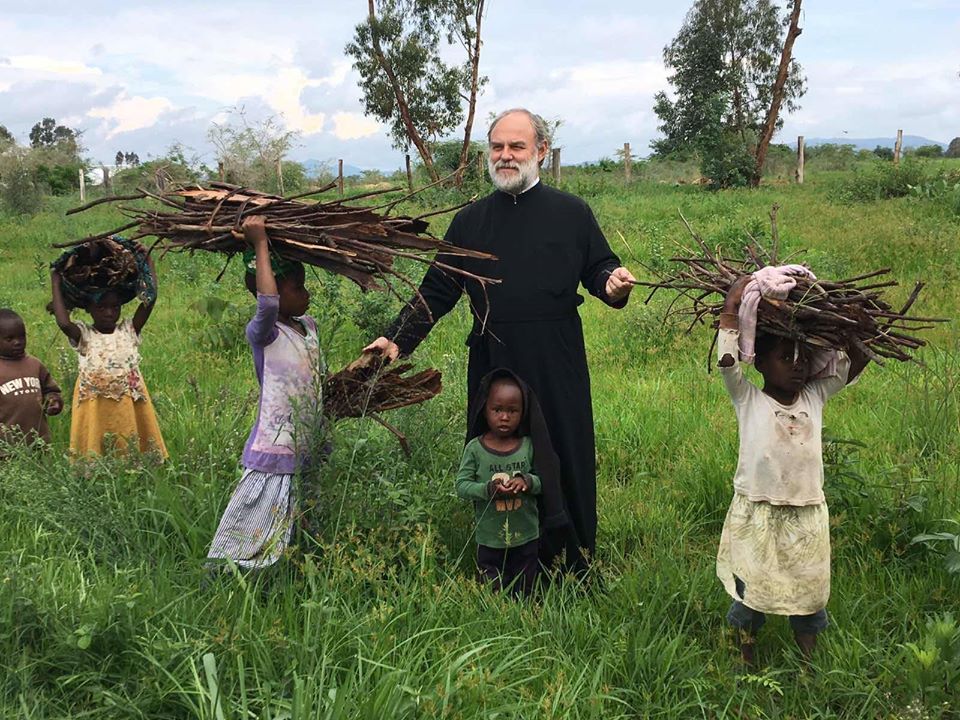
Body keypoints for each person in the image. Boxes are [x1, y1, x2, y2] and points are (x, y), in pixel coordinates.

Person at [364, 108, 637, 573]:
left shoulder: (572, 213)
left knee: (564, 452)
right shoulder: (471, 222)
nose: (505, 156)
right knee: (497, 456)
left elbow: (599, 268)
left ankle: (573, 557)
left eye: (517, 147)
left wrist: (612, 282)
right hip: (495, 358)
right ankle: (504, 561)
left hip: (557, 356)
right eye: (497, 147)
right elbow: (438, 289)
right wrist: (395, 339)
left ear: (541, 152)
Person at [715, 275, 868, 665]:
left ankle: (808, 661)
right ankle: (745, 655)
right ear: (760, 361)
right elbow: (728, 362)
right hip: (758, 514)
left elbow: (854, 364)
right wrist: (733, 305)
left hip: (805, 515)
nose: (797, 367)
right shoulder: (748, 398)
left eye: (802, 358)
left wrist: (847, 322)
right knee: (752, 592)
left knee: (809, 592)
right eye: (785, 358)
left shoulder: (814, 396)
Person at [205, 216, 323, 571]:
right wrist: (260, 244)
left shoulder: (309, 328)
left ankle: (294, 564)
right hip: (274, 444)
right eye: (297, 287)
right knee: (258, 520)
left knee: (302, 514)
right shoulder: (264, 333)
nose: (306, 294)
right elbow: (269, 303)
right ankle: (234, 569)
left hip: (307, 439)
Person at [456, 369, 564, 596]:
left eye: (512, 411)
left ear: (523, 413)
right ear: (485, 410)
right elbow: (462, 486)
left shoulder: (529, 446)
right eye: (497, 410)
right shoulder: (475, 449)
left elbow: (546, 481)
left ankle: (523, 612)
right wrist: (488, 489)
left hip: (525, 535)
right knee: (490, 585)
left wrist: (526, 481)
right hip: (489, 537)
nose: (504, 417)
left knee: (525, 584)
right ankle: (495, 614)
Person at [51, 252, 167, 459]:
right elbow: (63, 322)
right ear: (89, 309)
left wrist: (149, 262)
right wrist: (55, 280)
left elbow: (149, 300)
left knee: (130, 438)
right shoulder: (85, 336)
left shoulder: (129, 330)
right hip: (95, 403)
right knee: (96, 443)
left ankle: (132, 472)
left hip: (128, 401)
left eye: (114, 307)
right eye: (101, 307)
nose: (109, 313)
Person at [0, 308, 62, 452]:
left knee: (39, 472)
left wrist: (54, 402)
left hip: (38, 442)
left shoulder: (35, 365)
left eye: (22, 337)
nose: (18, 342)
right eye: (10, 339)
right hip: (6, 447)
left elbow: (51, 390)